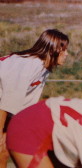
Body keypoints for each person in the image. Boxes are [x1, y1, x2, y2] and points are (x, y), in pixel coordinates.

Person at [0, 29, 69, 167]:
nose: (67, 54)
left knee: (5, 149)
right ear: (53, 49)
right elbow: (4, 106)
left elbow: (23, 110)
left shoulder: (42, 68)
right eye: (64, 49)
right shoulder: (29, 65)